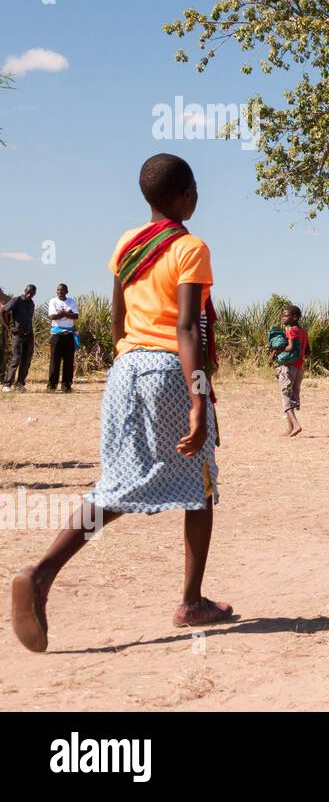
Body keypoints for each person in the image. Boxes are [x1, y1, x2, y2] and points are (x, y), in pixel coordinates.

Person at [12, 154, 232, 653]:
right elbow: (187, 328)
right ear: (181, 195)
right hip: (167, 371)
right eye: (195, 188)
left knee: (125, 482)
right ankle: (186, 599)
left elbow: (117, 316)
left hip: (126, 368)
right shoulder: (190, 248)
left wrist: (126, 358)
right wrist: (198, 398)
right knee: (199, 483)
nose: (198, 196)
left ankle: (47, 574)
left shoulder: (126, 244)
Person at [275, 305, 308, 437]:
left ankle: (296, 425)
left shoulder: (290, 331)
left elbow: (290, 347)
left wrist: (278, 350)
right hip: (299, 368)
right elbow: (307, 350)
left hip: (288, 368)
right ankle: (290, 428)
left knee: (285, 396)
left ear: (295, 317)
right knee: (292, 396)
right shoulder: (304, 332)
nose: (283, 318)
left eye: (286, 315)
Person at [2, 284, 37, 392]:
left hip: (29, 334)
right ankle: (7, 385)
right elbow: (3, 311)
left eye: (32, 293)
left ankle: (20, 383)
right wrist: (9, 327)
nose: (29, 294)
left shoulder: (31, 303)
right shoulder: (16, 300)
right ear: (25, 290)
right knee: (16, 359)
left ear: (35, 294)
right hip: (18, 335)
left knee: (26, 360)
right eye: (28, 292)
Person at [45, 283, 79, 392]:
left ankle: (66, 386)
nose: (60, 291)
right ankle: (51, 386)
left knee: (69, 362)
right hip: (57, 335)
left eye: (62, 290)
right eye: (58, 290)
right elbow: (52, 316)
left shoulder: (71, 301)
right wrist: (67, 313)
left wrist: (61, 313)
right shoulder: (53, 301)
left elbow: (76, 316)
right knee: (55, 361)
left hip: (69, 335)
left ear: (67, 291)